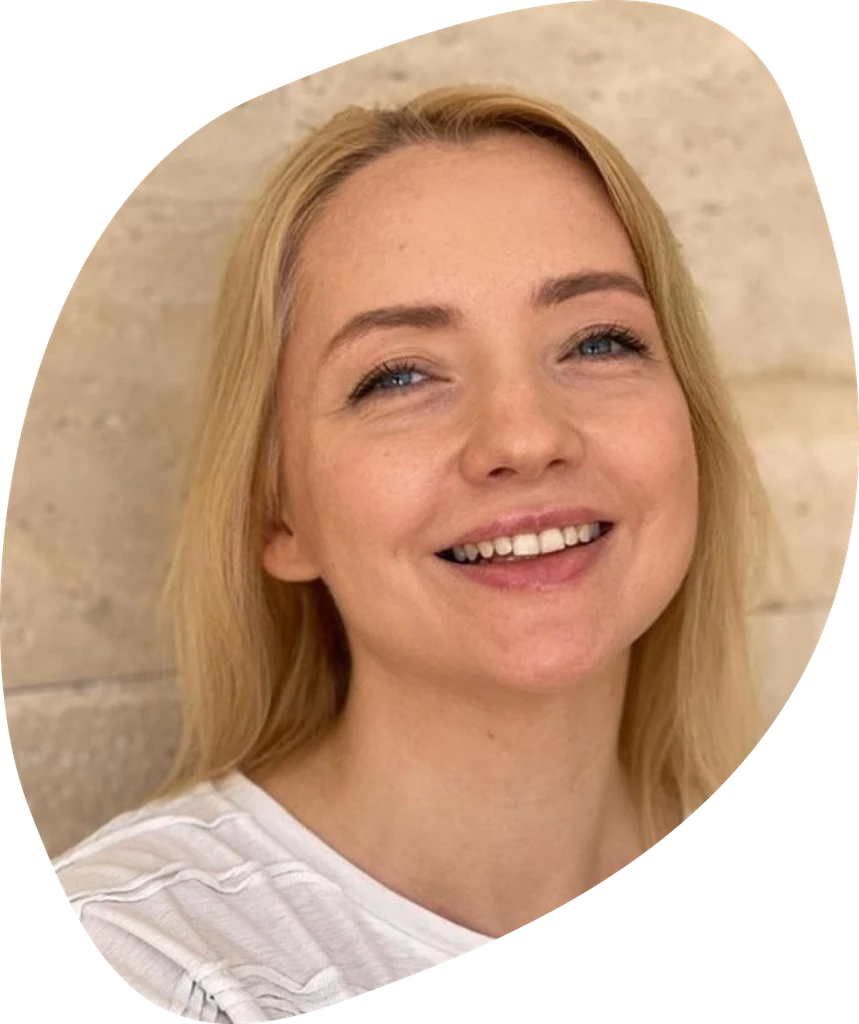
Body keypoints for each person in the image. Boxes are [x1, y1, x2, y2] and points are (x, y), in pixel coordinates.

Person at [50, 84, 780, 1022]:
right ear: (278, 514)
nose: (524, 436)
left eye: (598, 342)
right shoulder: (149, 957)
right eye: (398, 376)